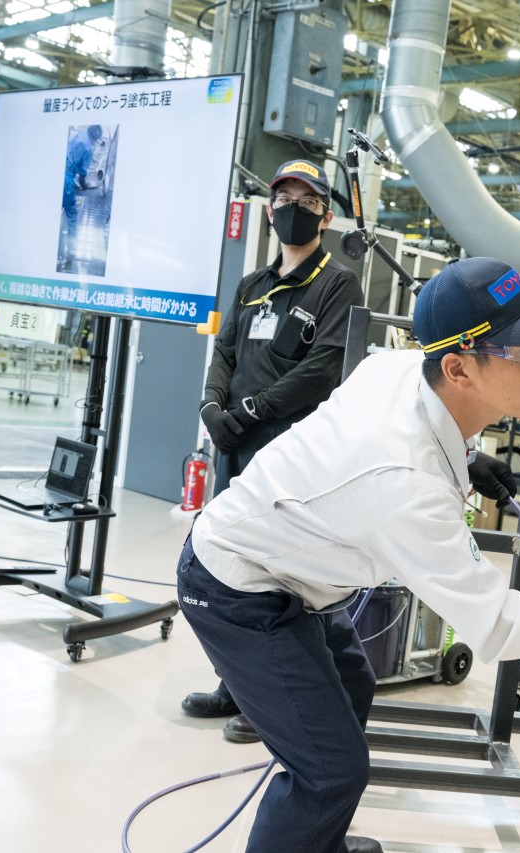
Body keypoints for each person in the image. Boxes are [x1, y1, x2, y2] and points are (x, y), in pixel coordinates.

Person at [175, 256, 520, 853]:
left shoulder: (401, 366)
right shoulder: (407, 485)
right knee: (329, 770)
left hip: (293, 568)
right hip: (237, 585)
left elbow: (408, 424)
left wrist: (465, 457)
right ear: (458, 367)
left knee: (352, 684)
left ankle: (314, 844)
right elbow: (500, 627)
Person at [182, 159, 364, 743]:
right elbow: (225, 352)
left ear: (326, 217)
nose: (293, 209)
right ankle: (235, 684)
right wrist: (212, 408)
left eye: (307, 202)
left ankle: (274, 701)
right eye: (284, 199)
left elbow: (322, 368)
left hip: (288, 452)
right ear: (269, 211)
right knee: (230, 565)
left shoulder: (336, 284)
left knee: (280, 576)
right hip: (235, 445)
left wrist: (249, 413)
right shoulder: (251, 286)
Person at [59, 124, 102, 268]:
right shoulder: (89, 148)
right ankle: (70, 252)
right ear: (96, 137)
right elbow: (83, 175)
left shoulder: (78, 136)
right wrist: (85, 186)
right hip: (67, 182)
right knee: (72, 216)